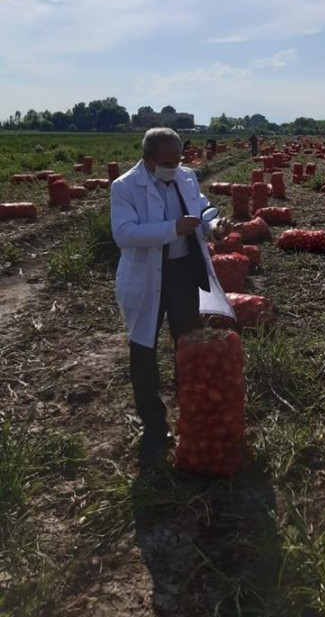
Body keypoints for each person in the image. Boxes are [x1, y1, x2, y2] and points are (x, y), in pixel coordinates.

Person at [110, 127, 235, 463]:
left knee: (187, 340)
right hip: (146, 275)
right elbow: (123, 234)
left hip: (182, 273)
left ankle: (190, 407)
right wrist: (172, 229)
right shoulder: (124, 187)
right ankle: (153, 423)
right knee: (144, 348)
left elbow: (203, 208)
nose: (174, 166)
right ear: (147, 158)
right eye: (167, 161)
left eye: (179, 159)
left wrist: (214, 224)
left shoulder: (187, 176)